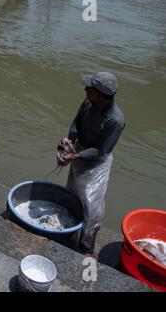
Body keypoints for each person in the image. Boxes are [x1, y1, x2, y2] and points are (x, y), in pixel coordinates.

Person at [58, 72, 125, 256]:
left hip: (97, 163)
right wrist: (70, 141)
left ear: (101, 95)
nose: (85, 89)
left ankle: (86, 247)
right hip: (80, 152)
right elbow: (76, 123)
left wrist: (76, 155)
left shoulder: (115, 120)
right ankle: (69, 230)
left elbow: (102, 150)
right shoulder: (89, 102)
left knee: (91, 204)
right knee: (72, 192)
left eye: (90, 88)